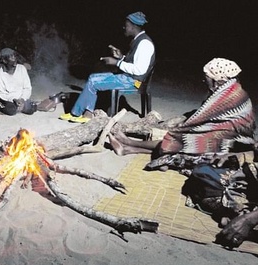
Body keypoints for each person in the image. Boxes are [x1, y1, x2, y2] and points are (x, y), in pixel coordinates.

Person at [109, 58, 256, 156]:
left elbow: (200, 119)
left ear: (217, 78)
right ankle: (128, 149)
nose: (204, 80)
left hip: (236, 141)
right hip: (233, 135)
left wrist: (180, 129)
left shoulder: (227, 95)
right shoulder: (231, 88)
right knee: (186, 139)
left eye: (207, 77)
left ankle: (129, 142)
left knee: (183, 139)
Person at [59, 11, 155, 123]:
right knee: (93, 78)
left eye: (127, 25)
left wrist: (116, 62)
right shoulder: (138, 41)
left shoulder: (145, 44)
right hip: (129, 78)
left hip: (134, 82)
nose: (124, 27)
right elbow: (134, 63)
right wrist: (121, 57)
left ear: (134, 27)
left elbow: (140, 70)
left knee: (93, 82)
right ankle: (82, 113)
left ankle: (80, 114)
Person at [0, 48, 36, 116]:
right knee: (11, 110)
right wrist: (14, 99)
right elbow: (2, 94)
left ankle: (22, 106)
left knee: (31, 108)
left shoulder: (21, 68)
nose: (14, 58)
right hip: (11, 100)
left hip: (22, 98)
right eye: (11, 57)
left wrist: (22, 99)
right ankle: (20, 107)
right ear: (4, 60)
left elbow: (27, 87)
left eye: (14, 56)